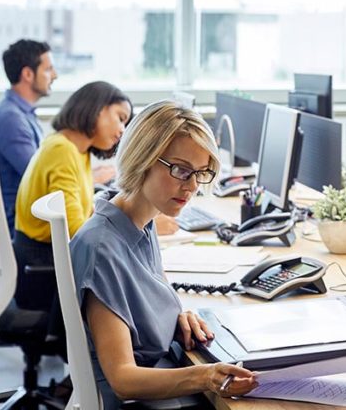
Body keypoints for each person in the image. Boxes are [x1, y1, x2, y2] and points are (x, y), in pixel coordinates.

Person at [71, 101, 257, 408]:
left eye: (200, 173)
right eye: (181, 170)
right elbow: (123, 379)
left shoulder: (141, 221)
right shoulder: (102, 248)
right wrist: (207, 376)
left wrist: (177, 314)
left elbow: (147, 293)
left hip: (159, 377)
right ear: (141, 159)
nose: (192, 186)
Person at [13, 81, 132, 312]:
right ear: (97, 108)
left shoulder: (76, 149)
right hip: (42, 272)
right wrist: (131, 226)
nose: (122, 130)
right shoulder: (63, 150)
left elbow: (84, 215)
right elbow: (77, 230)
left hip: (50, 262)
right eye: (120, 118)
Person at [0, 39, 57, 233]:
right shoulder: (11, 119)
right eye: (49, 69)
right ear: (27, 74)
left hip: (25, 215)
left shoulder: (18, 113)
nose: (55, 75)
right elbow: (40, 177)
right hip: (22, 225)